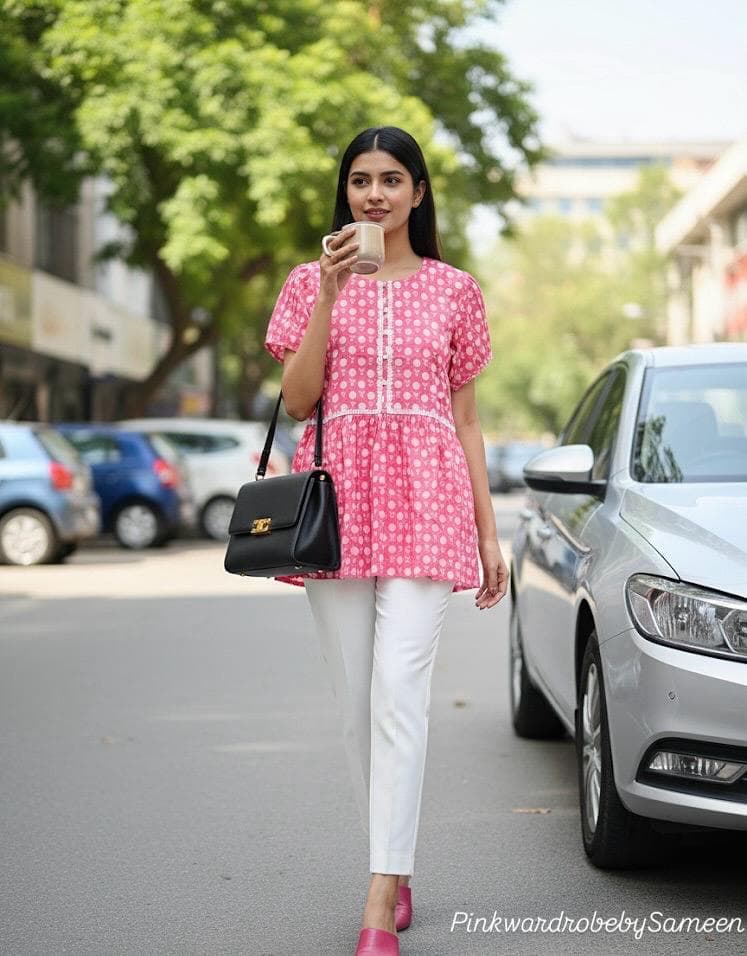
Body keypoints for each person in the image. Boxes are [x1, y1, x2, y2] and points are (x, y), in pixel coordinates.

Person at [263, 126, 508, 956]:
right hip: (335, 501)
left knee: (400, 692)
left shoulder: (454, 289)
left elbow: (467, 419)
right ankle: (395, 864)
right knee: (356, 700)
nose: (374, 194)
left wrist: (488, 535)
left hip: (429, 500)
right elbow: (296, 403)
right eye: (361, 180)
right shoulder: (306, 283)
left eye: (391, 179)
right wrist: (330, 295)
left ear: (418, 192)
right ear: (347, 192)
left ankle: (377, 897)